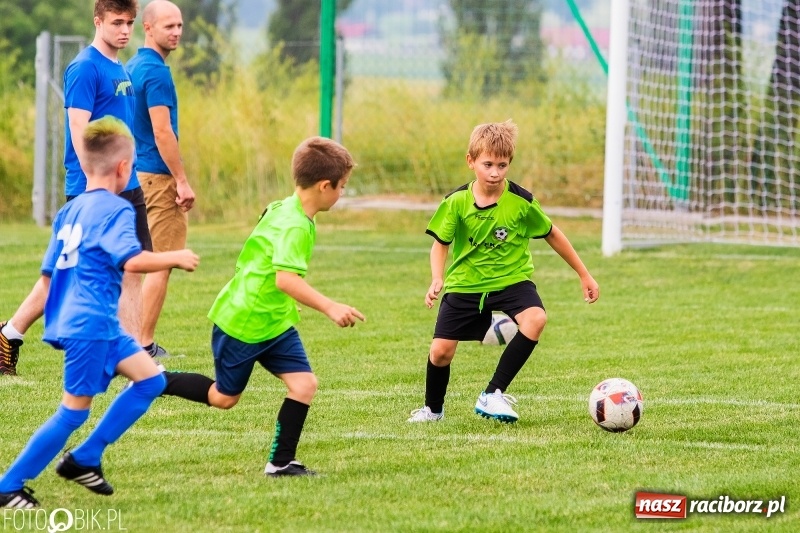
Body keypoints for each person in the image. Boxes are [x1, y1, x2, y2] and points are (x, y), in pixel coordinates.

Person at [0, 116, 199, 509]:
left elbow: (48, 276)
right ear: (124, 168)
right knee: (72, 413)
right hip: (90, 325)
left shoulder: (69, 211)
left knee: (150, 380)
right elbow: (131, 260)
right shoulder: (116, 209)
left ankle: (86, 458)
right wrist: (174, 256)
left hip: (97, 323)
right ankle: (8, 485)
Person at [158, 136, 365, 477]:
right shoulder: (294, 224)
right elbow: (285, 279)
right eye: (342, 186)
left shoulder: (284, 207)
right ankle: (155, 379)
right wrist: (330, 306)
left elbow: (262, 257)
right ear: (324, 186)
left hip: (275, 322)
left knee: (304, 385)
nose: (342, 193)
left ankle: (280, 463)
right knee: (224, 398)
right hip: (245, 321)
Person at [407, 120, 599, 424]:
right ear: (471, 161)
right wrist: (437, 277)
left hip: (512, 280)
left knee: (536, 319)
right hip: (467, 283)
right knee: (440, 352)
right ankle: (432, 410)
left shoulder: (521, 202)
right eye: (487, 164)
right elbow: (440, 244)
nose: (495, 172)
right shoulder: (456, 202)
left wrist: (584, 274)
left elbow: (552, 233)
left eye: (502, 165)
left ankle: (492, 393)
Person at [0, 0, 149, 376]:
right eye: (117, 22)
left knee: (133, 268)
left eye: (130, 23)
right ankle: (9, 333)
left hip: (128, 185)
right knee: (62, 275)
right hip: (93, 189)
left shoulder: (119, 67)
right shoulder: (85, 67)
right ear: (98, 21)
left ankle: (134, 357)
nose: (125, 30)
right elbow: (79, 130)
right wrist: (99, 190)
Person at [126, 0, 195, 358]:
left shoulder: (132, 67)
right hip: (157, 176)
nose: (177, 32)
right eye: (169, 26)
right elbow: (162, 131)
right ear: (148, 28)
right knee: (163, 261)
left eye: (179, 25)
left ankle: (130, 340)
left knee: (136, 263)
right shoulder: (156, 73)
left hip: (135, 175)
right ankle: (143, 345)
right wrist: (181, 180)